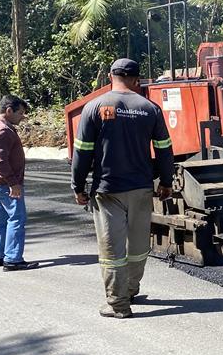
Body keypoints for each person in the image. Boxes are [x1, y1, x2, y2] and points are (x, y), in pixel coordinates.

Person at [71, 58, 175, 319]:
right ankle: (130, 289)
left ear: (110, 76)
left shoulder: (93, 107)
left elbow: (81, 152)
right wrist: (166, 181)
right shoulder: (150, 109)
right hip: (140, 188)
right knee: (138, 244)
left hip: (108, 190)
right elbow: (164, 149)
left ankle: (118, 304)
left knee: (111, 249)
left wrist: (78, 185)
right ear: (136, 79)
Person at [0, 95, 37, 271]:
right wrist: (13, 183)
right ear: (9, 111)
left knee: (0, 217)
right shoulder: (3, 131)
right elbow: (0, 161)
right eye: (20, 113)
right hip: (4, 182)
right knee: (17, 217)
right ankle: (13, 259)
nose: (23, 116)